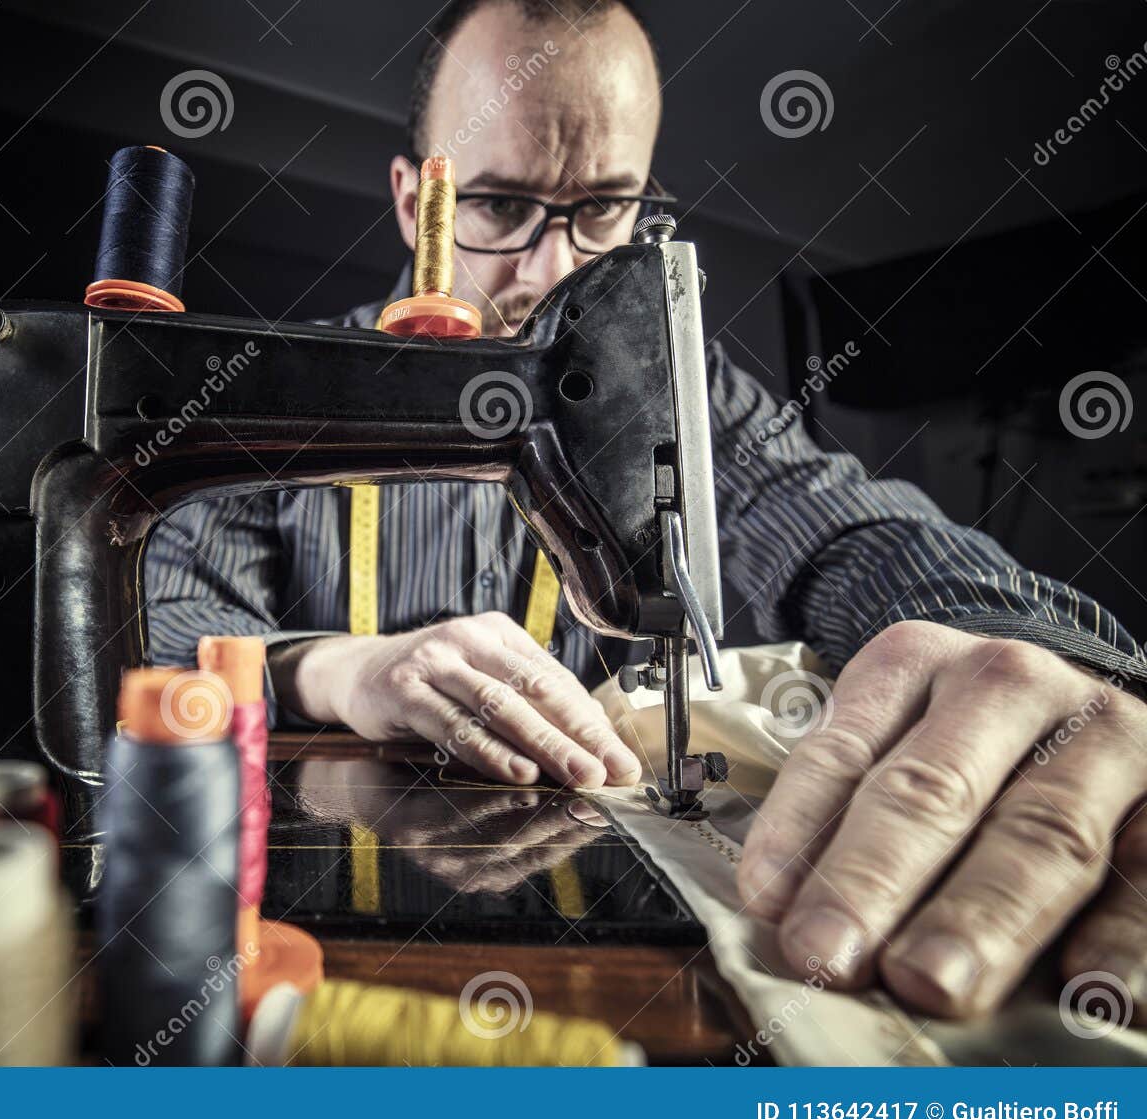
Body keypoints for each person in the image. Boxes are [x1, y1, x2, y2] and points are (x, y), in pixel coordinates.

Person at [147, 0, 1147, 1022]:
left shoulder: (683, 393)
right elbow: (165, 622)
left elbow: (845, 526)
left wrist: (1026, 656)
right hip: (303, 947)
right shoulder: (280, 386)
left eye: (602, 210)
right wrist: (336, 669)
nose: (553, 272)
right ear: (417, 203)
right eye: (500, 206)